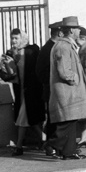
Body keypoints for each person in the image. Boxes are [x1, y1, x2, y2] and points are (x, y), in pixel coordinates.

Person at [48, 16, 86, 160]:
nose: (79, 31)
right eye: (77, 28)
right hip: (66, 92)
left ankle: (68, 151)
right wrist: (75, 78)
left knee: (70, 121)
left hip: (68, 92)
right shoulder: (63, 46)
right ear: (71, 30)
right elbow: (64, 71)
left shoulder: (66, 45)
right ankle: (52, 144)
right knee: (66, 123)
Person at [0, 28, 45, 156]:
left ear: (22, 38)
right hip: (20, 92)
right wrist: (7, 68)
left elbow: (39, 69)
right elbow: (6, 74)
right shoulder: (9, 53)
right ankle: (44, 141)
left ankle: (21, 146)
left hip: (32, 91)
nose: (13, 41)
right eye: (12, 38)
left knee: (24, 118)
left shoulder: (32, 51)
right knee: (28, 119)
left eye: (16, 38)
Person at [36, 22, 62, 157]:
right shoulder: (50, 49)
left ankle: (53, 146)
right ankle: (50, 145)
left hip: (52, 90)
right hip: (51, 91)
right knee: (54, 120)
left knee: (54, 120)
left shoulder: (51, 47)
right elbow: (40, 72)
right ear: (59, 33)